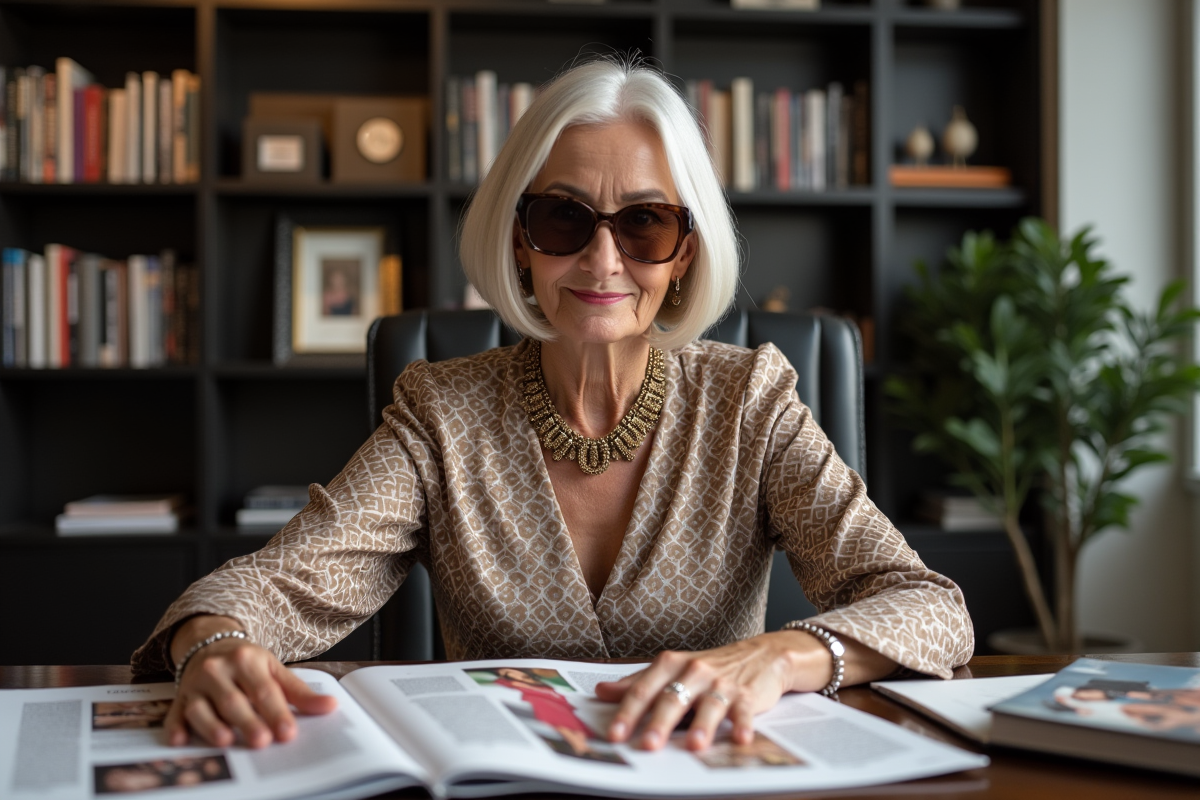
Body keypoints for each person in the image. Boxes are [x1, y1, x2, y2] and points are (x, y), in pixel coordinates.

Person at [132, 56, 973, 755]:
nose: (603, 260)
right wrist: (212, 644)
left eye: (643, 223)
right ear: (519, 240)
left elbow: (931, 609)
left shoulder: (750, 400)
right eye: (563, 219)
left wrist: (778, 658)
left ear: (683, 253)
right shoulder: (440, 412)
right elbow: (280, 584)